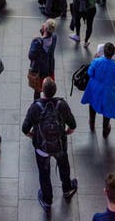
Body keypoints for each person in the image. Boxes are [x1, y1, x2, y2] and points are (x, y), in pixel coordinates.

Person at [21, 77, 78, 210]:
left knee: (44, 173)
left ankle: (47, 200)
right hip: (60, 146)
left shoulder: (35, 107)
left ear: (42, 90)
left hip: (42, 148)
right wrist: (66, 133)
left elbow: (25, 129)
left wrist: (33, 135)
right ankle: (67, 189)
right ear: (55, 90)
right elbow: (72, 125)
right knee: (64, 167)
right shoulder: (62, 105)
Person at [81, 42, 115, 138]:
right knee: (107, 110)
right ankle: (105, 129)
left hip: (95, 89)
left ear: (103, 52)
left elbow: (90, 73)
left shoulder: (96, 61)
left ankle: (92, 123)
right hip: (108, 93)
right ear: (113, 54)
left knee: (93, 105)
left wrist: (94, 60)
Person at [28, 20, 57, 97]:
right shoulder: (54, 37)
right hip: (49, 68)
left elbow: (31, 56)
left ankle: (37, 101)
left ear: (45, 28)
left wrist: (35, 40)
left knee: (37, 90)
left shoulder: (37, 42)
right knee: (48, 88)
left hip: (39, 71)